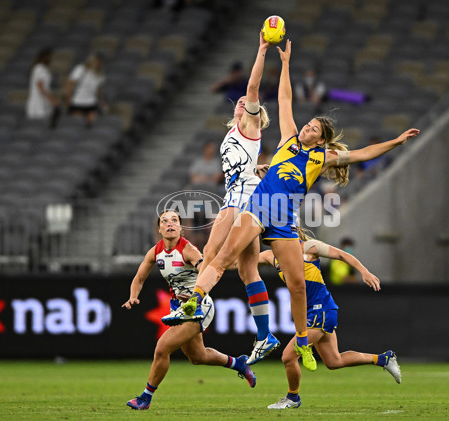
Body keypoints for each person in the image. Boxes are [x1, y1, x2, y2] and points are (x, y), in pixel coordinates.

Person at [171, 39, 420, 373]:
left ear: (320, 138)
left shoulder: (322, 157)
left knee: (297, 284)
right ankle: (194, 303)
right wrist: (285, 64)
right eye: (308, 124)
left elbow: (362, 153)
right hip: (259, 208)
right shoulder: (288, 138)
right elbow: (285, 98)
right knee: (223, 257)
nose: (306, 127)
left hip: (284, 219)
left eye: (313, 128)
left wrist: (396, 142)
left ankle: (302, 342)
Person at [163, 32, 280, 366]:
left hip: (241, 201)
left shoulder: (250, 125)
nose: (243, 101)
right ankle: (265, 335)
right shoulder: (235, 134)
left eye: (249, 103)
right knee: (247, 272)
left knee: (211, 253)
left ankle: (191, 305)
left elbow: (254, 88)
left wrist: (260, 50)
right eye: (240, 101)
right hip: (247, 197)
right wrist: (257, 170)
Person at [122, 210, 257, 411]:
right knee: (198, 357)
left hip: (198, 306)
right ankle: (239, 364)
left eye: (174, 221)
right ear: (159, 229)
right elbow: (139, 278)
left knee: (162, 348)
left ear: (181, 228)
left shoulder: (188, 250)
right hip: (179, 308)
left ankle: (145, 397)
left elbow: (205, 269)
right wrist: (133, 296)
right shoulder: (155, 252)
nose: (170, 224)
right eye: (165, 221)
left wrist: (196, 293)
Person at [260, 228, 402, 409]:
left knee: (288, 357)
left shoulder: (309, 247)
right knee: (334, 361)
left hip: (321, 310)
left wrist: (364, 271)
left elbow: (342, 255)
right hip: (311, 312)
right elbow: (241, 261)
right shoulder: (271, 256)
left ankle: (292, 398)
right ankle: (383, 359)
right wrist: (217, 261)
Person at [64, 52, 107, 126]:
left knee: (91, 125)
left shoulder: (100, 74)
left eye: (100, 62)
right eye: (97, 61)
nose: (99, 63)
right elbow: (70, 84)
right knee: (77, 125)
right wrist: (68, 98)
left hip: (91, 102)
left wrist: (101, 102)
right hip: (77, 102)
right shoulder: (80, 69)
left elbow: (98, 90)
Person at [26, 48, 58, 122]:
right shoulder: (39, 68)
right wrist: (51, 99)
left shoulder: (43, 69)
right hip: (38, 103)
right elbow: (40, 86)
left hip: (43, 102)